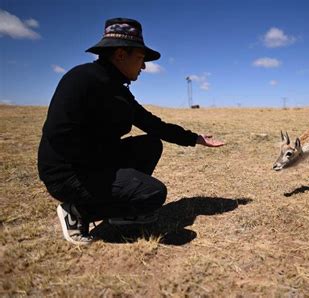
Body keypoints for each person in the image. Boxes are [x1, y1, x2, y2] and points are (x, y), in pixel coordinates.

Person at [37, 18, 225, 245]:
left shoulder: (117, 89)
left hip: (94, 161)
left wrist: (195, 138)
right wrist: (100, 168)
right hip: (69, 173)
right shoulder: (81, 80)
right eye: (140, 58)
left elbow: (151, 124)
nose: (144, 66)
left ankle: (119, 210)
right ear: (119, 55)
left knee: (151, 144)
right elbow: (59, 135)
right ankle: (78, 212)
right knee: (153, 193)